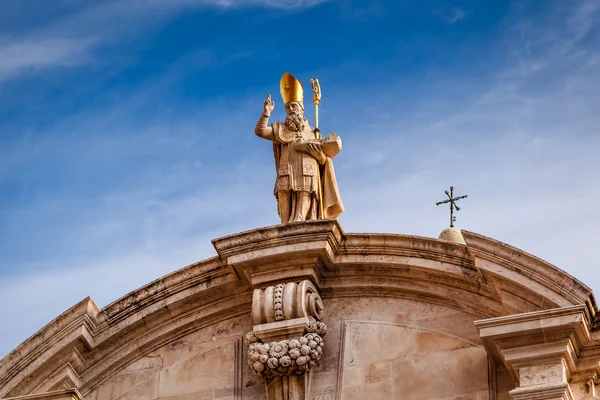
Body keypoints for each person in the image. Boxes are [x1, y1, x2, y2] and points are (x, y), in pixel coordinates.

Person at [254, 72, 344, 224]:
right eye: (288, 107)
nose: (291, 109)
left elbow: (323, 160)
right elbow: (260, 131)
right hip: (287, 169)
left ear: (302, 109)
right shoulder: (280, 128)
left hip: (307, 171)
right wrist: (266, 113)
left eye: (294, 106)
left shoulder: (313, 132)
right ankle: (285, 224)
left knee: (305, 193)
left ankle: (301, 221)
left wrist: (320, 157)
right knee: (283, 193)